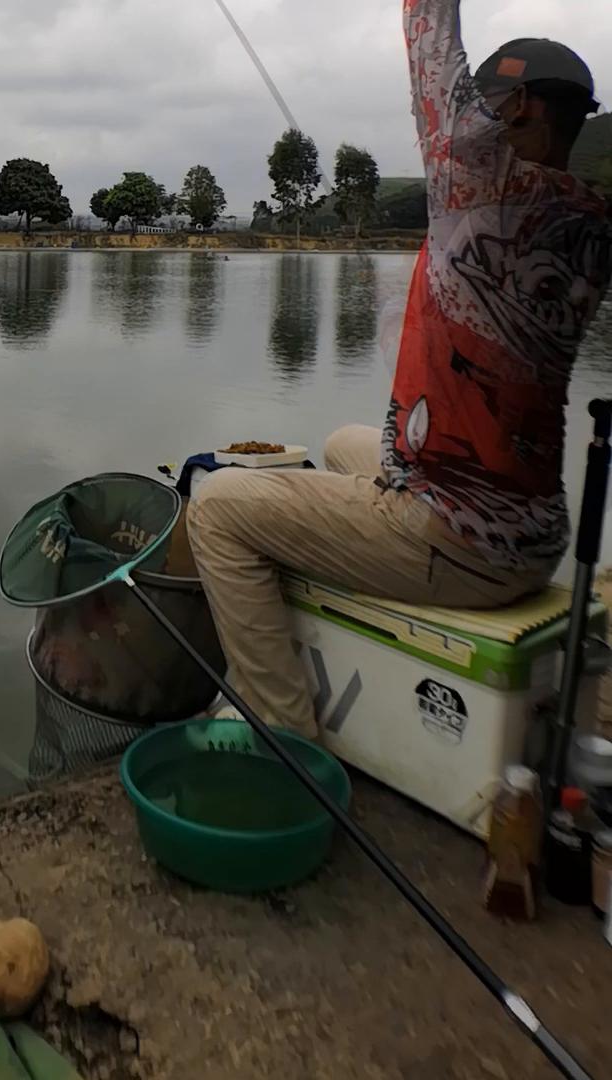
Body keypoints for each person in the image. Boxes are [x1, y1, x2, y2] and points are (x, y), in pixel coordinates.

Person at [187, 0, 612, 739]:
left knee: (220, 506)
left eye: (492, 104)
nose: (476, 116)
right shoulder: (592, 221)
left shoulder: (482, 180)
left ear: (524, 110)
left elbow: (429, 37)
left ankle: (284, 737)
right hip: (538, 536)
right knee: (349, 440)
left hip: (459, 540)